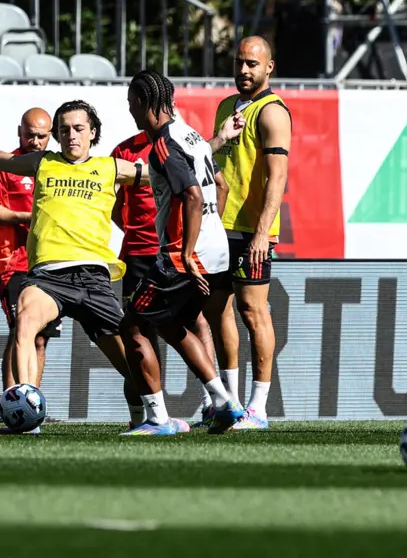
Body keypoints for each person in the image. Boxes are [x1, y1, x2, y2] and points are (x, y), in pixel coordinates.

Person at [0, 101, 144, 432]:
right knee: (25, 325)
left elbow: (166, 173)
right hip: (44, 275)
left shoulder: (110, 167)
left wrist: (207, 150)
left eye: (78, 129)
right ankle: (25, 413)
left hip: (93, 277)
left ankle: (149, 417)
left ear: (92, 133)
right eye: (64, 130)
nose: (71, 136)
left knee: (135, 359)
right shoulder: (42, 163)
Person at [119, 71, 243, 435]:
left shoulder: (162, 145)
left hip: (183, 256)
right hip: (216, 251)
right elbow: (220, 186)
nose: (131, 112)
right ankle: (223, 402)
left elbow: (191, 194)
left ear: (142, 102)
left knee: (133, 326)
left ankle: (158, 419)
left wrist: (188, 252)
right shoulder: (191, 136)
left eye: (131, 105)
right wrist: (210, 233)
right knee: (174, 325)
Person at [205, 35, 291, 431]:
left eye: (252, 64)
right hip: (218, 227)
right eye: (239, 62)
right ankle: (230, 403)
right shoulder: (226, 106)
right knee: (217, 311)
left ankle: (259, 408)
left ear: (268, 67)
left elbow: (277, 178)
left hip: (250, 231)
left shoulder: (272, 112)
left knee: (254, 313)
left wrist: (262, 233)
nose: (243, 70)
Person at [0, 107, 61, 395]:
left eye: (41, 136)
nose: (35, 142)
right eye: (29, 135)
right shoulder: (4, 166)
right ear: (19, 132)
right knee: (20, 332)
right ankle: (12, 404)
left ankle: (32, 403)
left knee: (40, 339)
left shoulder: (58, 167)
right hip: (15, 263)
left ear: (51, 135)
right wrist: (27, 217)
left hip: (49, 262)